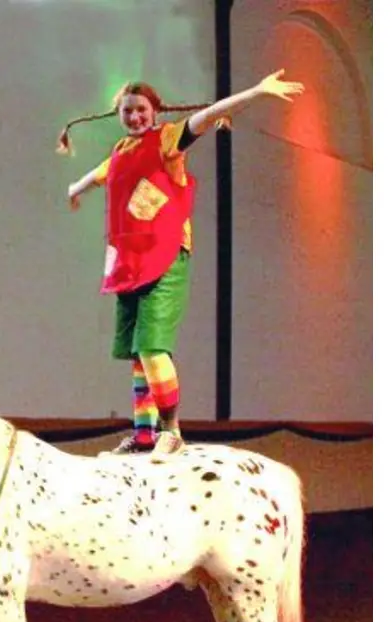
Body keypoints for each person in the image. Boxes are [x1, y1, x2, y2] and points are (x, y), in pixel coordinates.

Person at [62, 69, 305, 454]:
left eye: (140, 110)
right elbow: (104, 172)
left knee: (154, 347)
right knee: (139, 353)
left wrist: (255, 91)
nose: (134, 117)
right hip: (129, 259)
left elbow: (208, 117)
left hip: (164, 254)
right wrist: (76, 187)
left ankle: (171, 432)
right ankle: (144, 435)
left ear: (154, 112)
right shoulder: (122, 150)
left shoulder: (168, 139)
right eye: (127, 111)